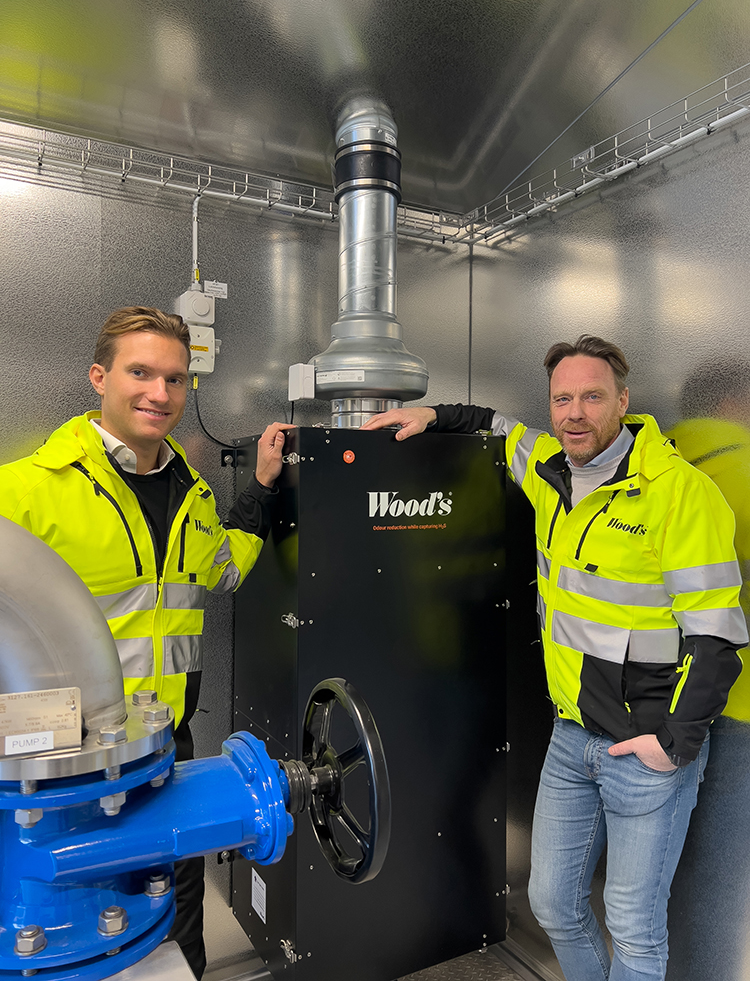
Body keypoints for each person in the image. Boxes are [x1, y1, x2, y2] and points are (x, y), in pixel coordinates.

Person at [362, 334, 746, 981]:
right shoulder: (548, 468)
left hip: (646, 747)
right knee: (552, 903)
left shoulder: (680, 493)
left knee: (633, 925)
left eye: (592, 397)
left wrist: (672, 741)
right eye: (561, 399)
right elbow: (494, 425)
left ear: (623, 401)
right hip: (571, 739)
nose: (574, 413)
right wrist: (432, 415)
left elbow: (717, 637)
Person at [0, 306, 291, 979]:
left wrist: (262, 488)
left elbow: (225, 570)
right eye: (140, 373)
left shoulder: (192, 495)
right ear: (99, 377)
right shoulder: (27, 491)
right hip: (58, 772)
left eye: (175, 379)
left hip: (163, 753)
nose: (160, 393)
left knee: (173, 918)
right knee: (64, 939)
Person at [664, 361, 750, 981]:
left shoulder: (652, 466)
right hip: (738, 708)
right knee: (720, 881)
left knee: (661, 871)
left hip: (652, 704)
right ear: (733, 402)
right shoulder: (743, 472)